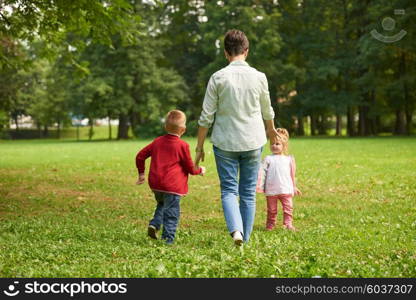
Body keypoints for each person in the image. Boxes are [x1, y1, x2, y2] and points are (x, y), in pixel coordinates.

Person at [194, 29, 279, 246]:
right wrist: (271, 132)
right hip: (253, 140)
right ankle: (245, 239)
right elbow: (267, 110)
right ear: (246, 51)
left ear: (225, 53)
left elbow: (206, 117)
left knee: (229, 190)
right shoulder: (259, 77)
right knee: (248, 193)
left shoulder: (218, 77)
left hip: (225, 142)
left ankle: (236, 232)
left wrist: (199, 146)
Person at [136, 110, 206, 244]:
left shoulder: (157, 141)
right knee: (172, 213)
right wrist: (200, 170)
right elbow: (190, 168)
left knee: (162, 204)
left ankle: (155, 224)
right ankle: (168, 239)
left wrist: (141, 174)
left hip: (156, 185)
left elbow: (140, 156)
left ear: (165, 127)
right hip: (172, 186)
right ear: (183, 130)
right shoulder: (182, 145)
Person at [256, 128, 301, 231]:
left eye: (277, 144)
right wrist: (260, 187)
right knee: (272, 210)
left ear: (284, 146)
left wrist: (294, 186)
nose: (274, 146)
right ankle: (270, 225)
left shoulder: (289, 159)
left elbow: (292, 174)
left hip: (286, 189)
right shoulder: (268, 159)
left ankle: (288, 224)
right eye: (272, 143)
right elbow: (262, 173)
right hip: (271, 190)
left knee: (288, 208)